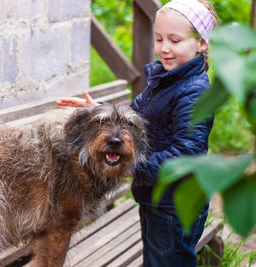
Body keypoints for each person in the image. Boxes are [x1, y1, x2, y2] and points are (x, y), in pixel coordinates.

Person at [56, 0, 218, 265]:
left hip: (174, 204)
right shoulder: (167, 78)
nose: (164, 48)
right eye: (159, 38)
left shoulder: (193, 91)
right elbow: (134, 115)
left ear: (201, 43)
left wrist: (132, 166)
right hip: (157, 197)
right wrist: (97, 110)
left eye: (175, 41)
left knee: (166, 261)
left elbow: (186, 155)